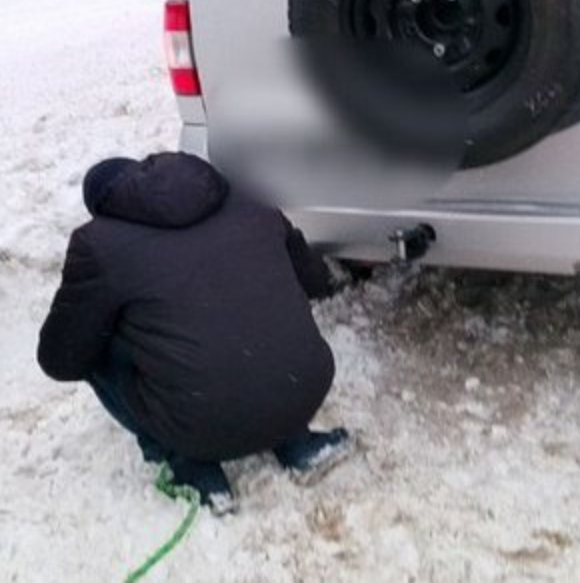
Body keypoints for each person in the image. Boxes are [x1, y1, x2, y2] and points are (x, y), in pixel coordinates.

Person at [37, 152, 353, 513]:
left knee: (92, 343)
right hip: (304, 390)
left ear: (105, 208)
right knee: (247, 309)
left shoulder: (99, 244)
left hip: (203, 426)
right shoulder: (251, 199)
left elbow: (60, 359)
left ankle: (190, 467)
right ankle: (297, 441)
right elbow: (314, 281)